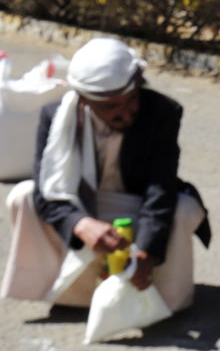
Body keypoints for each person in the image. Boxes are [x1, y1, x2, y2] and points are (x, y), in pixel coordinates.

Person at [2, 37, 209, 314]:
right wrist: (79, 223)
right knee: (23, 196)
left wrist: (146, 253)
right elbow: (45, 192)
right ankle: (73, 295)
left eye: (132, 99)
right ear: (85, 100)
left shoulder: (162, 112)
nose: (126, 113)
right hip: (83, 203)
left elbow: (160, 188)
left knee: (184, 207)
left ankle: (163, 298)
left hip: (134, 204)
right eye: (111, 107)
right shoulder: (56, 115)